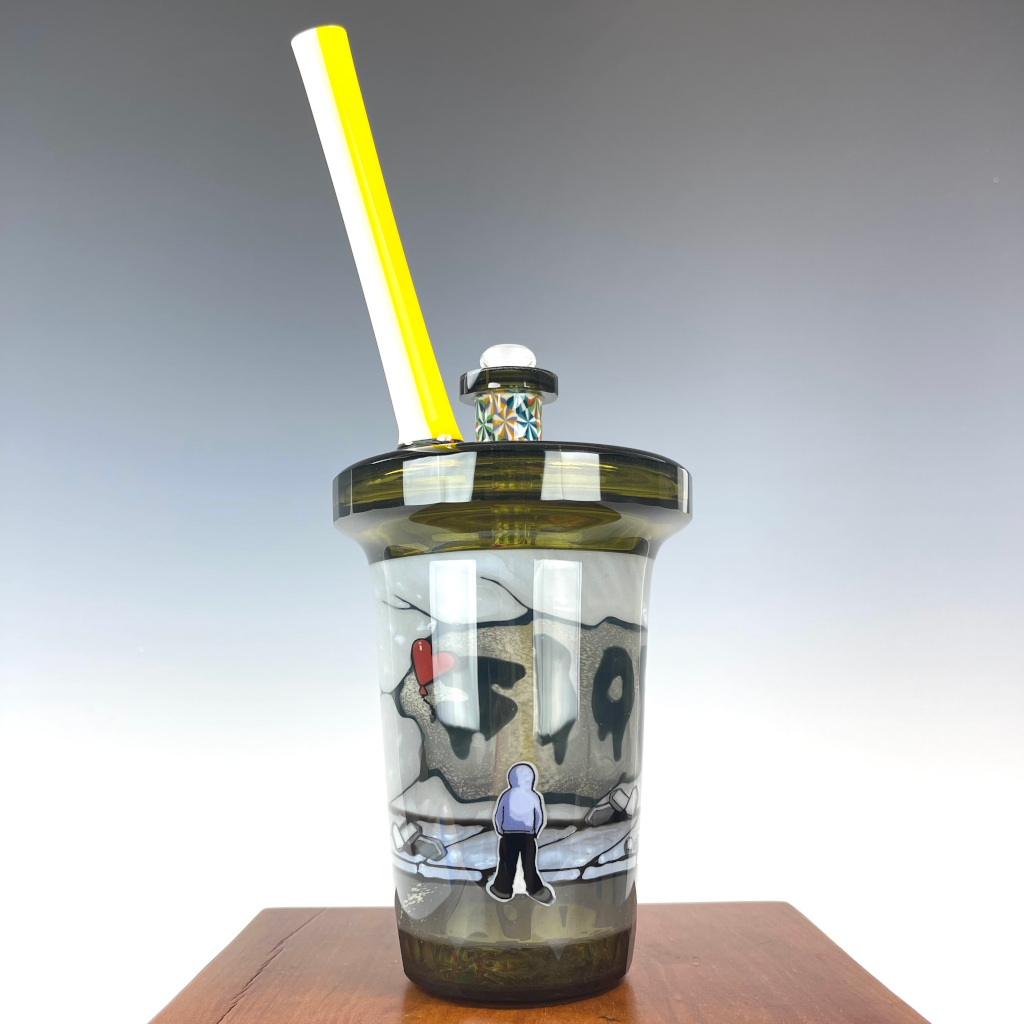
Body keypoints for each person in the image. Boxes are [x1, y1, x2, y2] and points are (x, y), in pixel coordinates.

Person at [487, 762, 555, 905]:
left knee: (507, 863)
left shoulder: (507, 795)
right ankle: (535, 889)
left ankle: (502, 889)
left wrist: (500, 829)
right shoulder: (533, 796)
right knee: (528, 863)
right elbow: (539, 816)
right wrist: (535, 831)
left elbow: (499, 815)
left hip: (509, 835)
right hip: (527, 836)